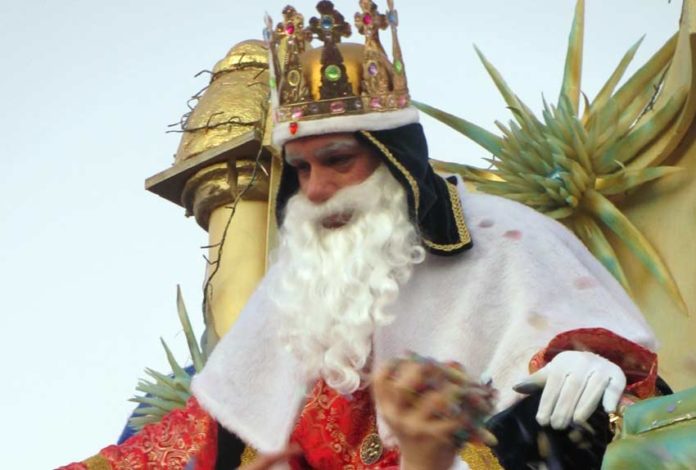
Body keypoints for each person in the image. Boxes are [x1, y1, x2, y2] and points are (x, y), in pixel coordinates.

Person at [60, 1, 660, 469]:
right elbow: (199, 440)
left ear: (396, 161)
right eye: (300, 169)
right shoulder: (294, 292)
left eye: (338, 159)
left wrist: (600, 364)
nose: (316, 188)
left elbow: (606, 396)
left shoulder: (508, 240)